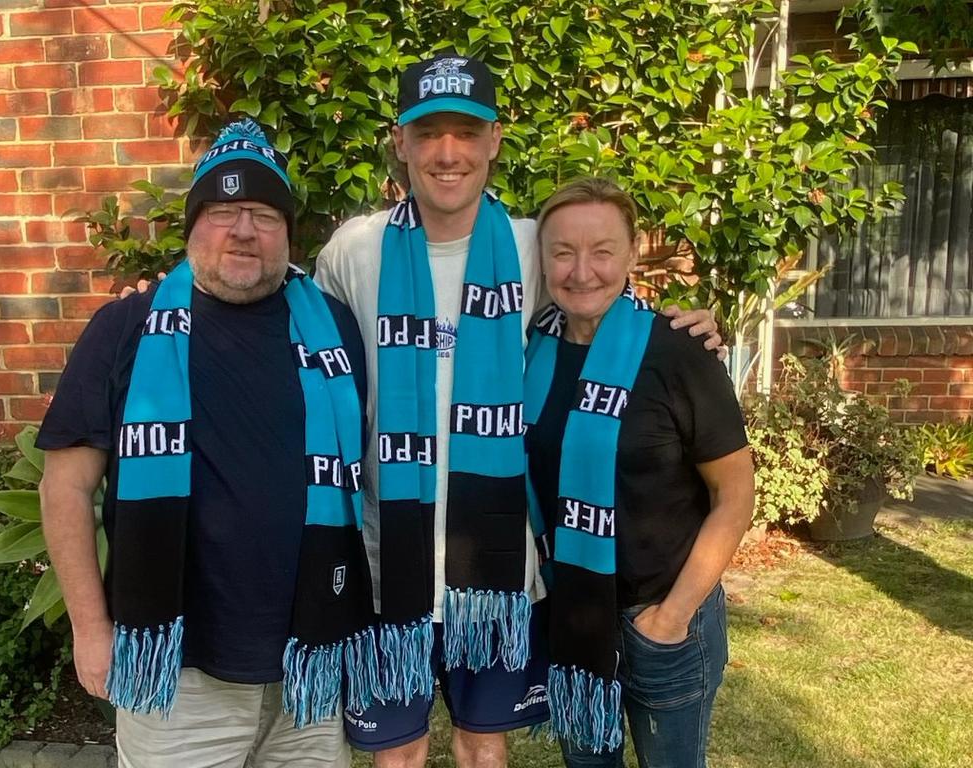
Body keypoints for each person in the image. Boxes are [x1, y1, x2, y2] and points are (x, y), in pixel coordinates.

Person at [314, 54, 724, 768]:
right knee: (395, 756)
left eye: (466, 132)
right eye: (429, 132)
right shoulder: (353, 251)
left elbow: (599, 305)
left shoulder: (533, 248)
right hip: (388, 557)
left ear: (495, 140)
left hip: (497, 565)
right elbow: (308, 354)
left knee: (483, 747)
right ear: (401, 142)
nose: (449, 153)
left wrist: (693, 325)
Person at [38, 119, 377, 768]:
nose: (243, 229)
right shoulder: (125, 329)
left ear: (287, 231)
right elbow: (66, 486)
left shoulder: (334, 331)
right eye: (223, 211)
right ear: (192, 227)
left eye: (262, 213)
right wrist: (90, 628)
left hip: (309, 667)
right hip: (177, 680)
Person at [524, 177, 754, 768]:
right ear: (543, 259)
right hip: (574, 612)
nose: (582, 271)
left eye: (602, 251)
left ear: (630, 254)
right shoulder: (528, 352)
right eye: (563, 252)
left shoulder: (678, 350)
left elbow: (735, 496)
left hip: (663, 616)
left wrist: (670, 618)